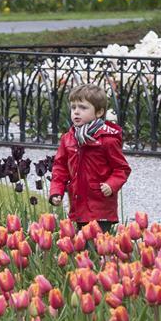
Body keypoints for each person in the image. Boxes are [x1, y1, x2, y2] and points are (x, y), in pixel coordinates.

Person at [48, 84, 132, 233]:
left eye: (83, 108)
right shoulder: (68, 139)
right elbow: (60, 168)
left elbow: (122, 168)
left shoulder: (107, 139)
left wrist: (111, 185)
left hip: (100, 205)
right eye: (73, 107)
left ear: (99, 112)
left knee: (98, 246)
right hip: (78, 204)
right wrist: (56, 191)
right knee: (83, 248)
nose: (76, 112)